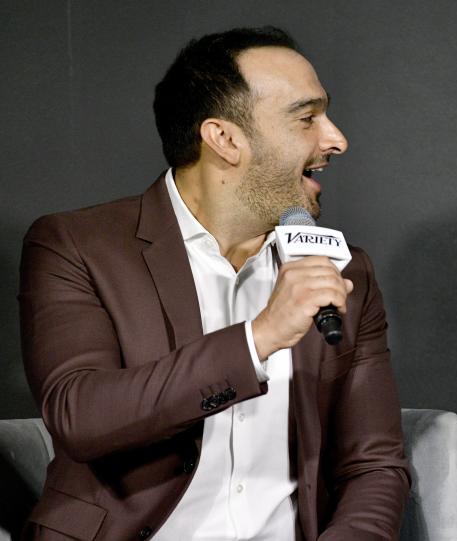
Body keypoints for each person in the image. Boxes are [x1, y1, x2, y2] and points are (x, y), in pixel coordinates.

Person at [19, 27, 409, 540]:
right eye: (306, 118)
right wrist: (260, 336)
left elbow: (374, 466)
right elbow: (81, 415)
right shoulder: (76, 245)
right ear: (224, 139)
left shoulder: (342, 271)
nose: (335, 139)